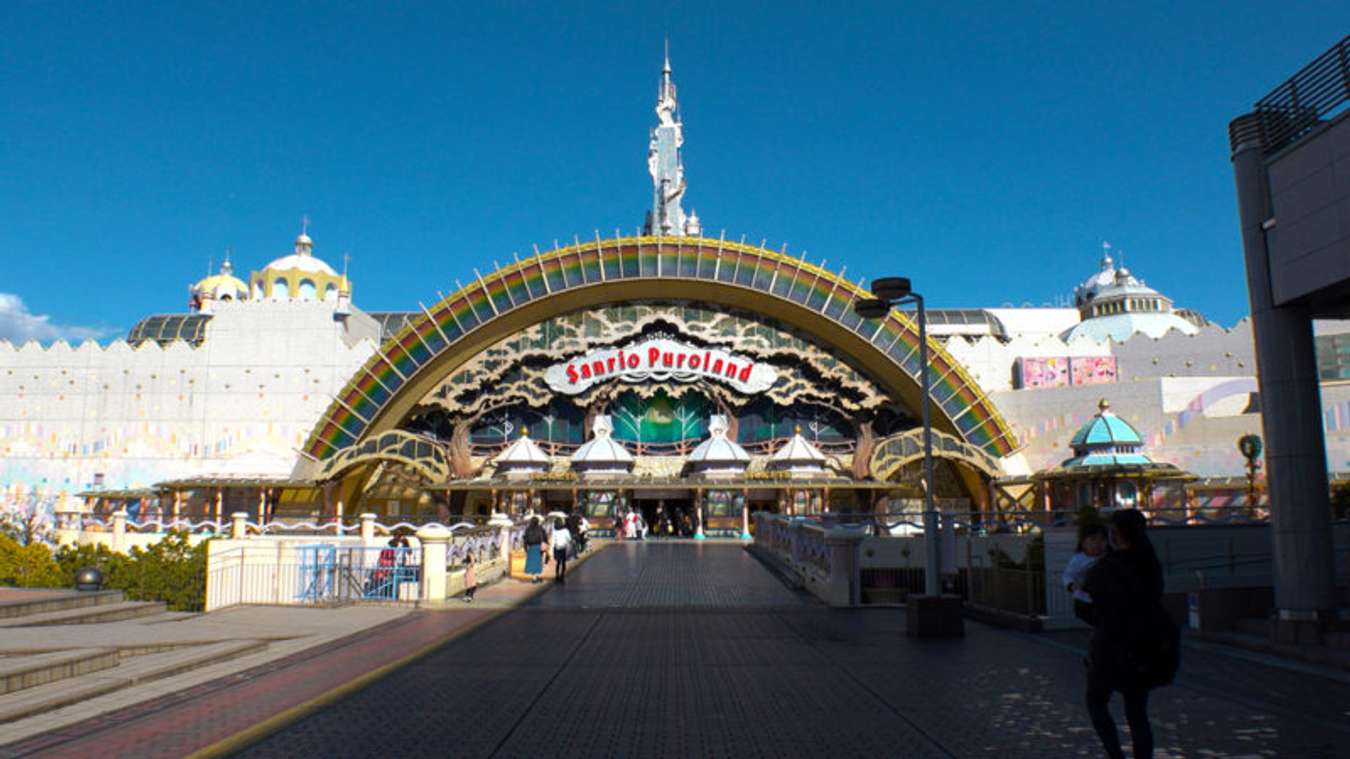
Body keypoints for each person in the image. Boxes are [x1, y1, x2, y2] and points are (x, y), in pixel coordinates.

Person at [1083, 509, 1169, 759]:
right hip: (1144, 645)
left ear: (1117, 534)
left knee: (1096, 701)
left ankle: (1115, 754)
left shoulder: (1108, 568)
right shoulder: (1150, 563)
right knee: (1137, 712)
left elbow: (1088, 607)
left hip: (1110, 646)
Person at [1064, 522, 1109, 625]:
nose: (1097, 543)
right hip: (1083, 600)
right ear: (1083, 543)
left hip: (1101, 599)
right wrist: (1071, 585)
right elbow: (1067, 575)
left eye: (1102, 539)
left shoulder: (1107, 557)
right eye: (1093, 539)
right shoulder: (1078, 559)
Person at [523, 516, 546, 584]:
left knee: (532, 563)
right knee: (537, 563)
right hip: (538, 547)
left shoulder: (528, 529)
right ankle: (535, 578)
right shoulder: (539, 529)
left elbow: (525, 539)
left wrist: (525, 548)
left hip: (531, 547)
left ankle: (535, 577)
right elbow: (541, 538)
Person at [550, 517, 572, 583]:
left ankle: (557, 576)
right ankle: (562, 576)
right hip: (563, 548)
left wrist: (551, 551)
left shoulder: (554, 531)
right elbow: (569, 539)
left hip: (556, 548)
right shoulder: (566, 531)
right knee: (563, 563)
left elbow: (552, 542)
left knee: (558, 562)